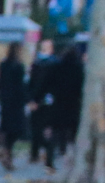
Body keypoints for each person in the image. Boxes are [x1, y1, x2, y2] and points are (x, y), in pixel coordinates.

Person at [43, 40, 85, 172]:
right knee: (73, 134)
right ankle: (72, 160)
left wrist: (37, 98)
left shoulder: (56, 67)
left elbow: (46, 84)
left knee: (55, 134)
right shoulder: (79, 69)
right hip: (73, 105)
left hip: (58, 104)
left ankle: (49, 161)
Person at [0, 42, 30, 172]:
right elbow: (21, 86)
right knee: (18, 130)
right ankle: (7, 153)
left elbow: (0, 83)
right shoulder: (19, 67)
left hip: (6, 102)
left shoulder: (3, 65)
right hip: (16, 103)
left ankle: (7, 153)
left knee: (9, 131)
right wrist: (26, 99)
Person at [25, 39, 59, 168]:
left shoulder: (39, 64)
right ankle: (43, 153)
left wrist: (32, 99)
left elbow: (32, 84)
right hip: (45, 101)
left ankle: (37, 153)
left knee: (38, 128)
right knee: (40, 129)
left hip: (41, 101)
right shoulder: (51, 64)